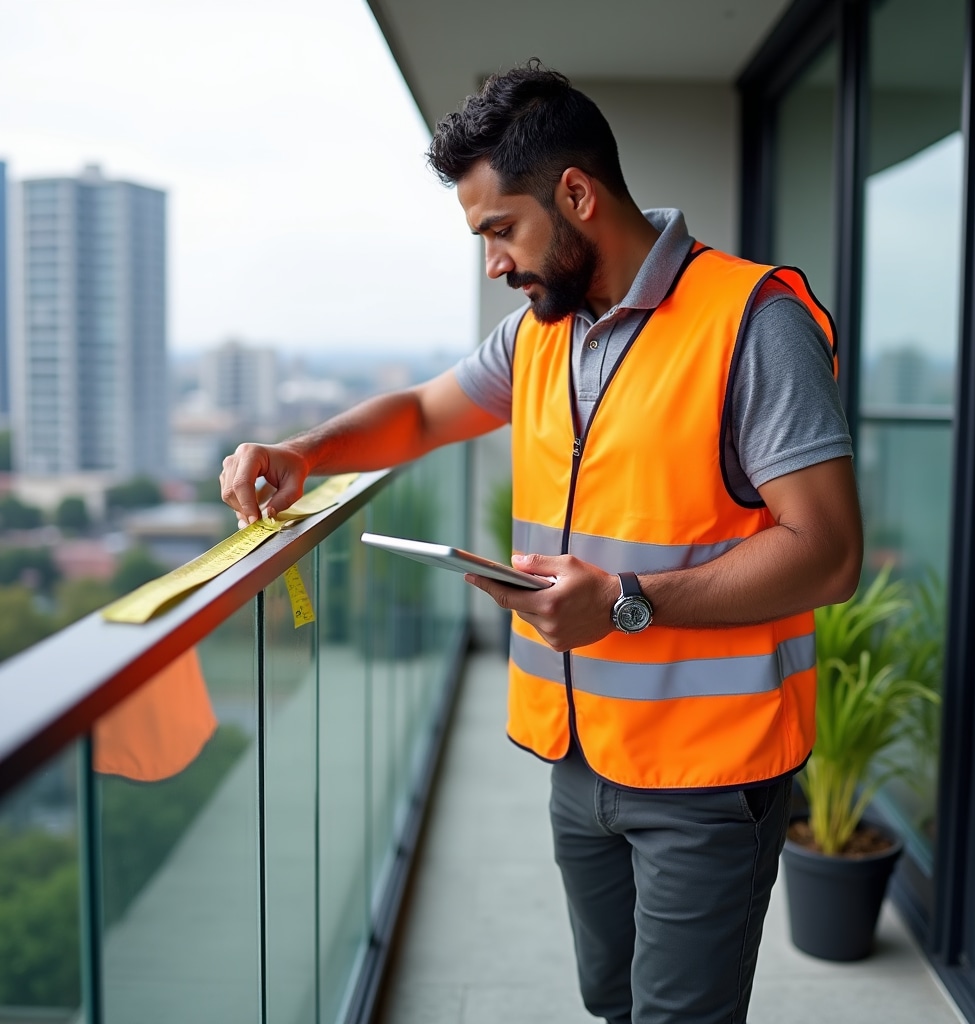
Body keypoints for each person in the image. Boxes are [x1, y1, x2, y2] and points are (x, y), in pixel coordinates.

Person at [221, 61, 862, 1024]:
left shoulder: (752, 322)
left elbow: (829, 552)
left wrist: (626, 601)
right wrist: (302, 451)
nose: (493, 265)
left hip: (709, 775)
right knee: (612, 1001)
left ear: (576, 195)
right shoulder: (541, 333)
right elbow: (423, 415)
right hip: (581, 758)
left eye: (499, 231)